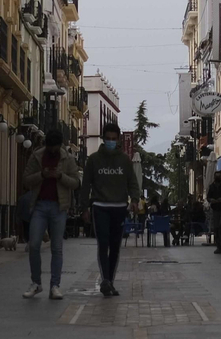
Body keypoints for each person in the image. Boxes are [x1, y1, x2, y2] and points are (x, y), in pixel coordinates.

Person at [20, 130, 80, 299]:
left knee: (57, 248)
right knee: (33, 245)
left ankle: (55, 285)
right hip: (39, 206)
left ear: (60, 146)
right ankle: (36, 283)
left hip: (59, 207)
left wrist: (60, 176)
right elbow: (26, 179)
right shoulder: (37, 156)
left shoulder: (67, 159)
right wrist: (42, 175)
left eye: (55, 148)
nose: (52, 151)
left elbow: (75, 182)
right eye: (50, 148)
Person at [83, 123, 140, 296]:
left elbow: (132, 182)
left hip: (119, 207)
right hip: (99, 207)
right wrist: (84, 207)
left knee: (115, 246)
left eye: (114, 139)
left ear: (119, 140)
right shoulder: (93, 160)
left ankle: (110, 281)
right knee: (103, 243)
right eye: (108, 139)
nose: (110, 142)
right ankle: (105, 280)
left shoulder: (125, 160)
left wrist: (135, 200)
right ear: (103, 138)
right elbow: (85, 185)